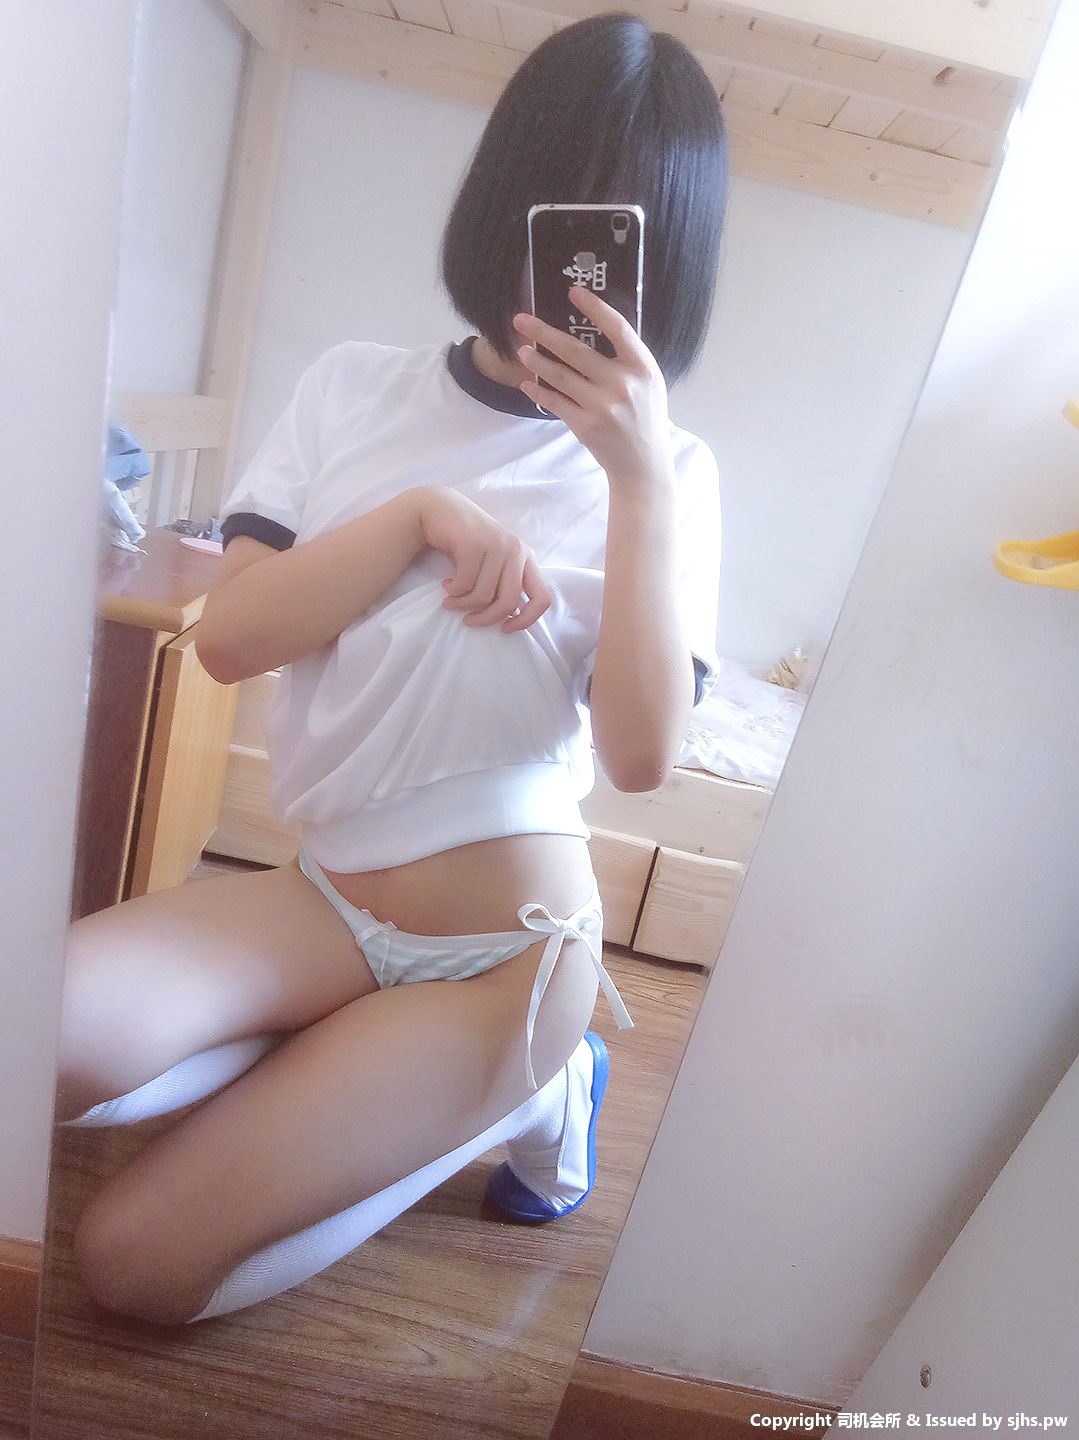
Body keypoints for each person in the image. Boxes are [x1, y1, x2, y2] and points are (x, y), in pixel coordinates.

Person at [52, 10, 728, 1327]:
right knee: (39, 1043)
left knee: (133, 1267)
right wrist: (417, 520)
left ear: (673, 262)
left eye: (628, 239)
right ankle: (341, 1060)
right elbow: (232, 641)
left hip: (507, 952)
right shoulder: (353, 390)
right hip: (318, 903)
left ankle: (536, 1086)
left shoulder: (676, 474)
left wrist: (640, 482)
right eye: (557, 212)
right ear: (502, 203)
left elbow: (643, 758)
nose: (579, 275)